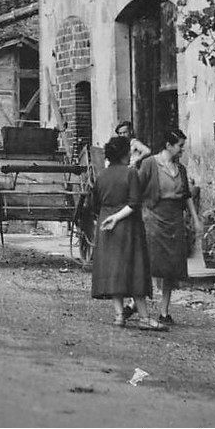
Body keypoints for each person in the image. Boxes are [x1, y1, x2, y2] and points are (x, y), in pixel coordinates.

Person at [90, 135, 164, 329]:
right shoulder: (130, 173)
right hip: (128, 226)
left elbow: (94, 205)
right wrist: (117, 217)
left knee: (114, 270)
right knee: (135, 270)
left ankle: (119, 316)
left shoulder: (101, 175)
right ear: (125, 154)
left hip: (105, 226)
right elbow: (134, 203)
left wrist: (109, 216)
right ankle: (144, 318)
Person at [138, 128, 201, 326]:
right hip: (154, 219)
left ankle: (164, 311)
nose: (182, 150)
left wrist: (195, 219)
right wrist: (141, 215)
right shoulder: (149, 164)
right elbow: (137, 191)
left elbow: (186, 196)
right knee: (151, 262)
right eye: (180, 146)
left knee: (171, 267)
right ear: (168, 145)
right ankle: (137, 305)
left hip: (175, 220)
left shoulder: (180, 169)